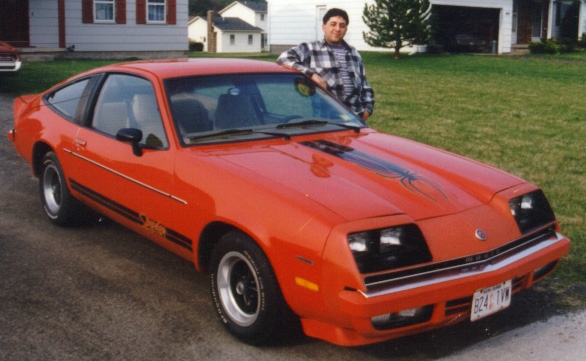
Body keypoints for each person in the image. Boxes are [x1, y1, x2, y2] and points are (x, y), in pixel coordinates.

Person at [277, 8, 374, 121]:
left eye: (342, 25)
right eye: (333, 24)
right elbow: (283, 58)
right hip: (327, 119)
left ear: (346, 29)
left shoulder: (354, 53)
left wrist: (367, 110)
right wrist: (312, 75)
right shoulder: (310, 49)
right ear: (324, 27)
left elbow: (365, 85)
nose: (337, 29)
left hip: (356, 118)